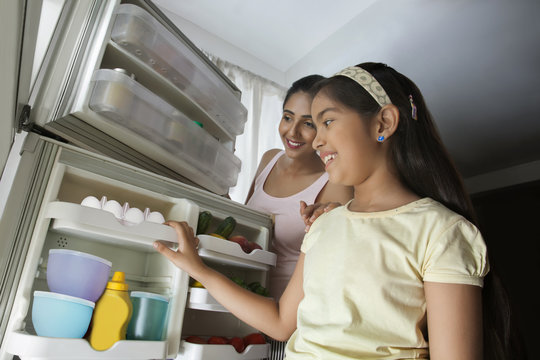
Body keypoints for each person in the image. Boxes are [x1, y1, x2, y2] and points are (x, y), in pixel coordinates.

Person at [154, 62, 501, 359]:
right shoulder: (323, 224)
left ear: (383, 124)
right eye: (314, 126)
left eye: (327, 121)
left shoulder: (441, 231)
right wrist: (197, 267)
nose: (316, 140)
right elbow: (279, 323)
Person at [245, 74, 353, 301]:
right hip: (243, 293)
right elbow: (245, 222)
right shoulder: (269, 159)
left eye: (307, 123)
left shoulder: (334, 182)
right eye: (287, 117)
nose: (292, 132)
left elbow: (333, 265)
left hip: (289, 313)